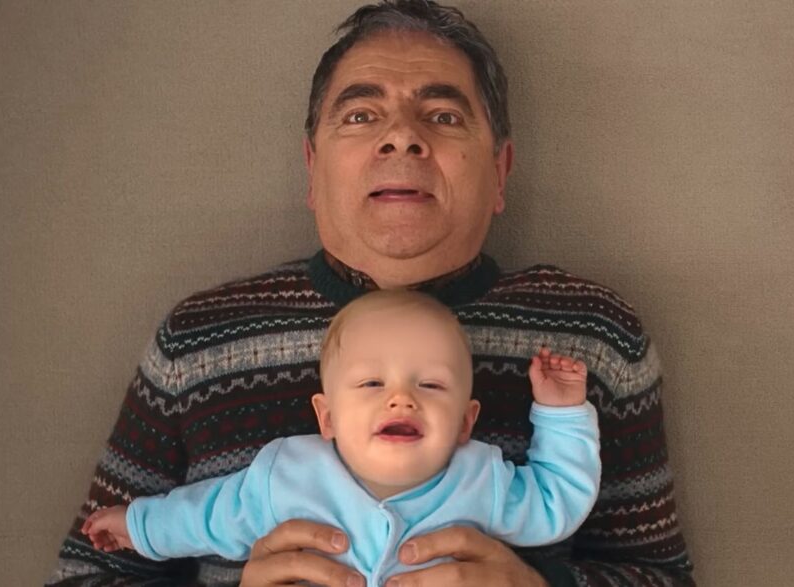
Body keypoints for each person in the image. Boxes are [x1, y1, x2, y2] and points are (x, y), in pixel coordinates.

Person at [48, 1, 695, 585]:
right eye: (361, 114)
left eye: (443, 115)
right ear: (313, 169)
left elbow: (662, 576)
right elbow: (88, 571)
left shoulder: (590, 335)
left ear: (499, 173)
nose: (402, 136)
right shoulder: (197, 340)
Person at [79, 290, 600, 586]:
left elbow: (557, 499)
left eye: (431, 385)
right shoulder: (286, 475)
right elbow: (207, 516)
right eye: (372, 384)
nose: (401, 399)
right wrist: (138, 525)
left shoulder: (482, 479)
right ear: (326, 419)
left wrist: (561, 414)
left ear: (466, 423)